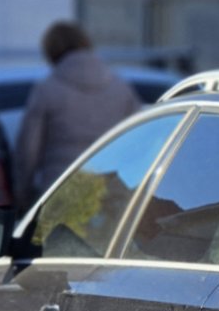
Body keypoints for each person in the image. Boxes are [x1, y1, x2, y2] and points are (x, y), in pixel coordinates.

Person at [14, 21, 141, 206]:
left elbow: (28, 150)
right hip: (110, 193)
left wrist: (22, 193)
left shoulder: (47, 88)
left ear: (52, 52)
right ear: (85, 43)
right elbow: (139, 140)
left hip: (59, 190)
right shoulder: (121, 87)